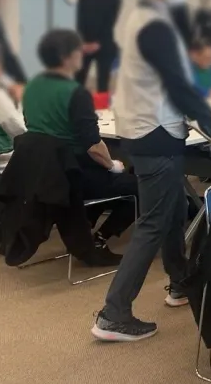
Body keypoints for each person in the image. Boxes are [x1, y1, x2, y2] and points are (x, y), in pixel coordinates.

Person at [93, 0, 211, 342]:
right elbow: (178, 84)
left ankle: (180, 281)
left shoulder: (142, 19)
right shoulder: (154, 25)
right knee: (153, 222)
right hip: (155, 134)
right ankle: (113, 313)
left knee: (170, 211)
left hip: (143, 130)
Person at [22, 29, 134, 264]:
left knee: (118, 176)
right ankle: (99, 238)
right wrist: (112, 165)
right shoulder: (75, 92)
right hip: (75, 176)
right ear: (67, 56)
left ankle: (84, 225)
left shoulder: (32, 86)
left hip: (46, 174)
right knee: (143, 185)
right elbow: (93, 146)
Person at [76, 0, 123, 94]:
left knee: (79, 78)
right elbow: (109, 23)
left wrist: (85, 42)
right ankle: (102, 104)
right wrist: (98, 42)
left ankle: (75, 102)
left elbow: (80, 21)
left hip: (85, 43)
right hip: (104, 43)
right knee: (103, 81)